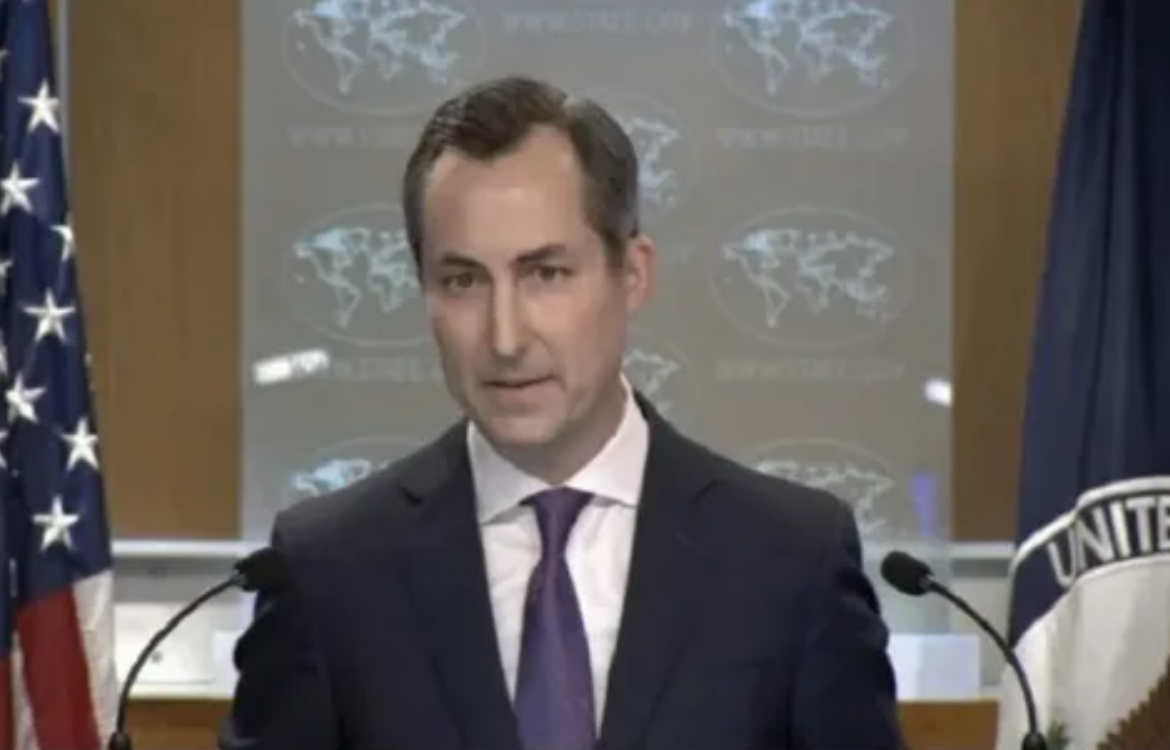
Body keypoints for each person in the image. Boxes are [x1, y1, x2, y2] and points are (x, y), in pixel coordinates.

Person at [218, 75, 908, 750]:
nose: (505, 338)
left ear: (632, 273)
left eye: (545, 274)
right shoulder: (329, 569)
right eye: (462, 281)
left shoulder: (790, 560)